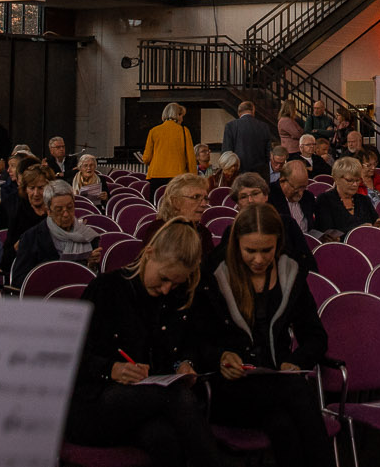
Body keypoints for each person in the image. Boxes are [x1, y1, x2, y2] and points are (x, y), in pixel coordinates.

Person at [67, 220, 217, 464]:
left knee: (164, 439)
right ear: (149, 253)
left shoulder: (176, 297)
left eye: (176, 283)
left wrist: (184, 363)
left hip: (145, 407)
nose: (167, 289)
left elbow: (187, 343)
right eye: (164, 278)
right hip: (94, 403)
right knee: (178, 398)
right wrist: (111, 369)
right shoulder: (107, 289)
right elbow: (70, 355)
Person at [195, 204, 332, 467]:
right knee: (298, 394)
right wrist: (220, 357)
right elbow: (197, 340)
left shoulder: (289, 271)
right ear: (237, 245)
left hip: (275, 379)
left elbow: (315, 336)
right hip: (229, 387)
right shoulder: (213, 274)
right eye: (250, 251)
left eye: (266, 251)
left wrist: (297, 361)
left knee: (284, 427)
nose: (258, 259)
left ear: (278, 244)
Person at [11, 184, 103, 284]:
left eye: (70, 208)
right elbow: (19, 279)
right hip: (46, 295)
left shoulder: (87, 236)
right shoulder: (31, 238)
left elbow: (96, 280)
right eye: (59, 210)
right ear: (48, 211)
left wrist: (91, 265)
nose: (66, 214)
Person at [157, 172, 217, 264]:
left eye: (205, 198)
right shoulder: (158, 231)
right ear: (176, 202)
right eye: (196, 197)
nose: (204, 204)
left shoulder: (204, 233)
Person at [309, 156, 377, 237]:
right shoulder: (325, 200)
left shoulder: (364, 200)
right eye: (350, 180)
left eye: (357, 180)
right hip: (339, 248)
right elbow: (328, 234)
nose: (355, 184)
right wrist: (358, 231)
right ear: (336, 179)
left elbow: (375, 225)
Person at [143, 103, 195, 197]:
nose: (182, 119)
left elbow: (146, 158)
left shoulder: (154, 131)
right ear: (177, 116)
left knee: (157, 204)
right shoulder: (184, 131)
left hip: (156, 175)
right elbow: (190, 158)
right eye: (182, 116)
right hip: (177, 176)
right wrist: (193, 178)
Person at [225, 99, 275, 177]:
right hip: (259, 173)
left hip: (238, 172)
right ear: (253, 111)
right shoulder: (264, 126)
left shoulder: (231, 126)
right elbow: (268, 153)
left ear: (239, 113)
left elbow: (227, 151)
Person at [269, 157, 317, 239]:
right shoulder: (269, 196)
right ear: (282, 181)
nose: (301, 193)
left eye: (304, 187)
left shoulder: (308, 196)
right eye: (296, 189)